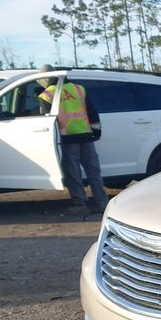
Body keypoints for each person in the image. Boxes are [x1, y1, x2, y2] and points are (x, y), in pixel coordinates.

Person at [37, 64, 108, 217]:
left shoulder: (46, 95)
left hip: (67, 138)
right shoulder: (79, 89)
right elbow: (92, 112)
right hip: (86, 136)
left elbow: (45, 120)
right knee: (93, 171)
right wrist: (96, 131)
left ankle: (80, 203)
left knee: (73, 172)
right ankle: (102, 203)